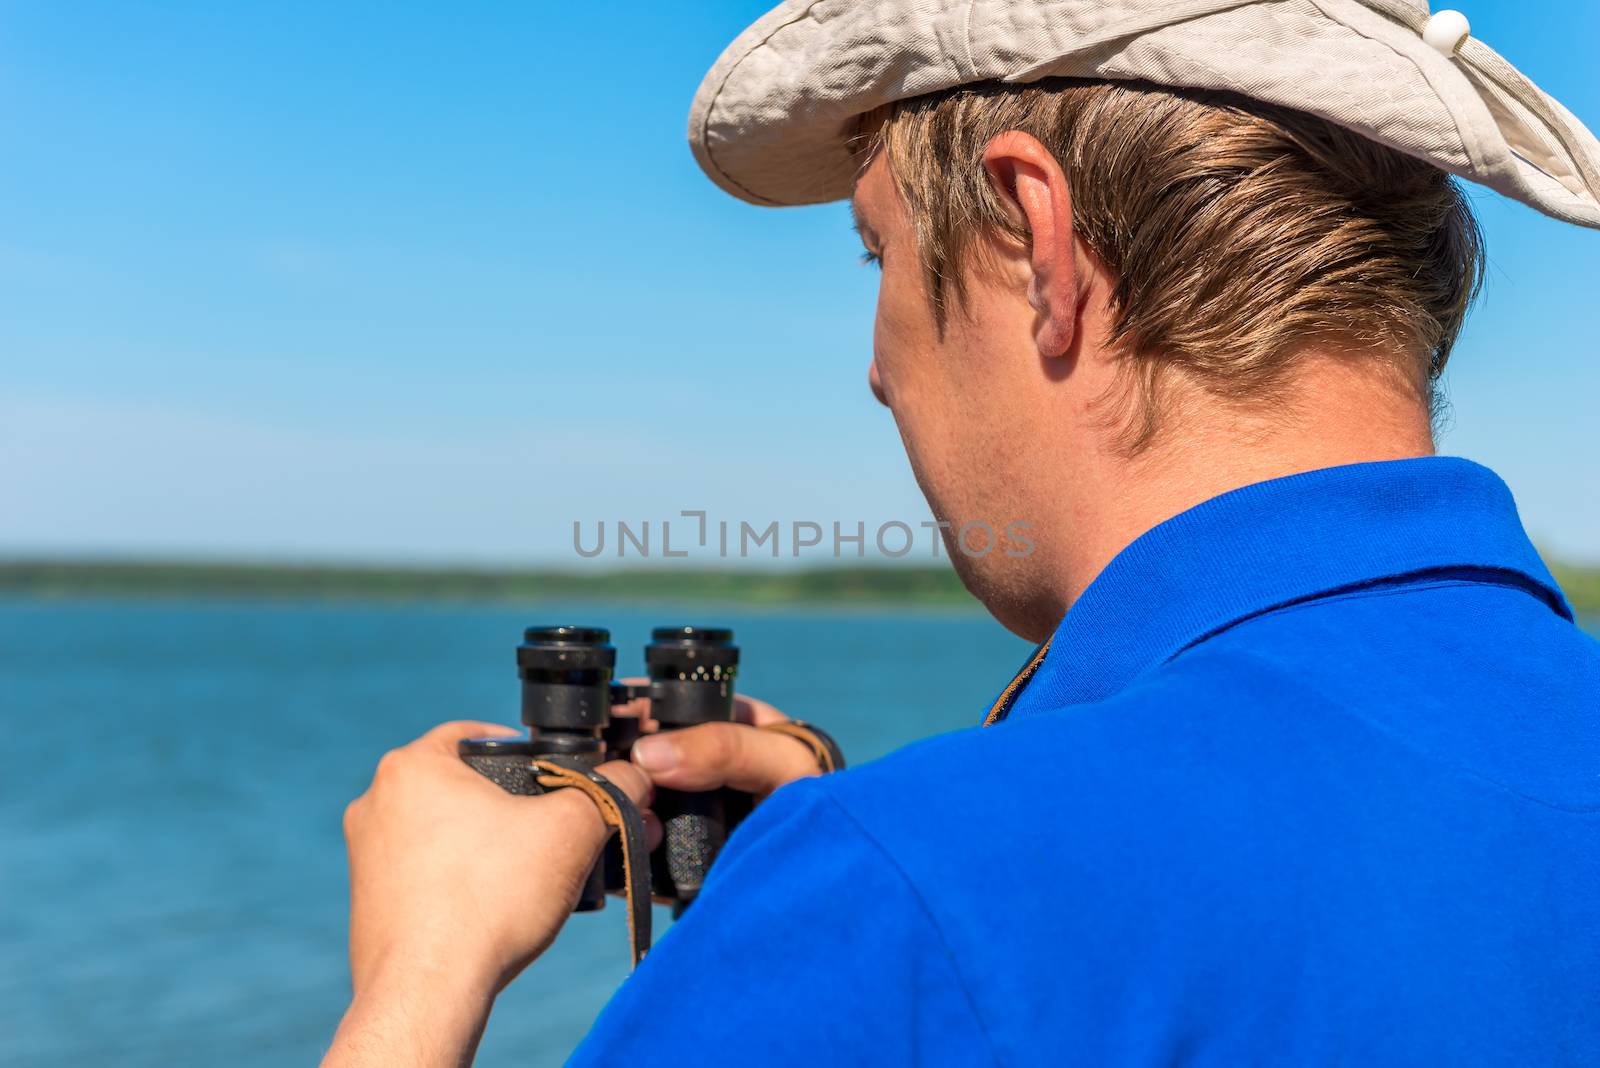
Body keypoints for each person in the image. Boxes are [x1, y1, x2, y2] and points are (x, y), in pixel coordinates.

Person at [323, 1, 1600, 1064]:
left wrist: (420, 974)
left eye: (875, 254)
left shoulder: (907, 895)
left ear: (1040, 246)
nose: (876, 369)